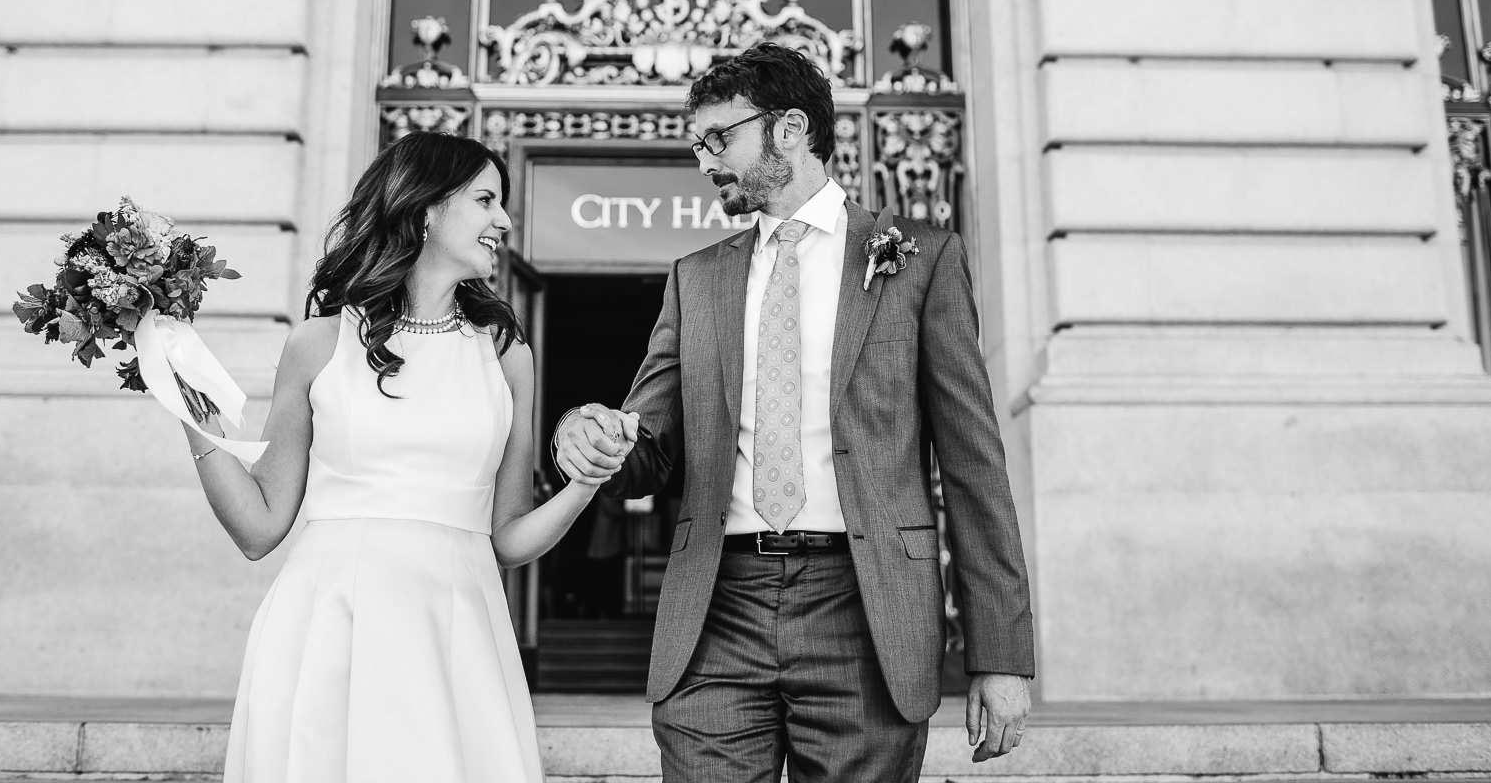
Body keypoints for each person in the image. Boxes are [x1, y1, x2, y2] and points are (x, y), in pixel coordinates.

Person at [555, 42, 1035, 783]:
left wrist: (999, 654)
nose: (704, 160)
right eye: (696, 144)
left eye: (719, 138)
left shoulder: (920, 259)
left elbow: (974, 466)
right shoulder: (695, 280)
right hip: (718, 605)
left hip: (864, 606)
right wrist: (598, 437)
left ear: (789, 130)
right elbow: (647, 442)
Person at [184, 131, 627, 783]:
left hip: (458, 626)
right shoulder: (318, 344)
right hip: (331, 620)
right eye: (484, 200)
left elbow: (508, 538)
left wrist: (585, 484)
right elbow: (258, 527)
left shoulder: (506, 354)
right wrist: (183, 399)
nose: (504, 220)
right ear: (423, 211)